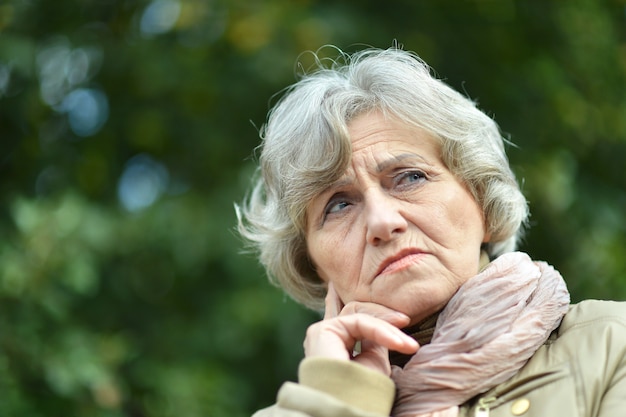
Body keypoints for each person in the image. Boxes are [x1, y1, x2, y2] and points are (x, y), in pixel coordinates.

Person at [236, 46, 626, 417]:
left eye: (409, 177)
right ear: (314, 264)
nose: (382, 222)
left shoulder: (612, 346)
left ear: (483, 201)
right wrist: (341, 399)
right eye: (339, 205)